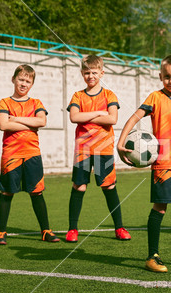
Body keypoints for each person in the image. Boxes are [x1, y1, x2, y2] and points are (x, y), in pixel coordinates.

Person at [117, 55, 171, 273]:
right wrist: (121, 141)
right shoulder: (155, 98)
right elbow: (134, 118)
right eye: (167, 76)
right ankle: (152, 256)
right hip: (163, 164)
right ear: (160, 77)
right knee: (161, 207)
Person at [65, 55, 131, 243]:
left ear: (102, 73)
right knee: (79, 186)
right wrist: (99, 113)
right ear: (81, 74)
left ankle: (119, 227)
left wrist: (87, 116)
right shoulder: (78, 95)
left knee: (109, 186)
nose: (90, 76)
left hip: (103, 149)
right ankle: (72, 229)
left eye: (94, 72)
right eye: (87, 73)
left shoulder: (109, 95)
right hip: (83, 150)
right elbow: (74, 117)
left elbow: (112, 119)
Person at [0, 64, 59, 245]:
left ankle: (46, 231)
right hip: (11, 155)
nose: (24, 84)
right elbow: (3, 125)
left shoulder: (36, 103)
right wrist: (30, 124)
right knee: (6, 192)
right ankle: (1, 233)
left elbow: (42, 121)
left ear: (32, 84)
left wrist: (15, 118)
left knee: (37, 193)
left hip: (32, 154)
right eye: (21, 79)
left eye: (28, 81)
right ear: (13, 79)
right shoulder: (4, 102)